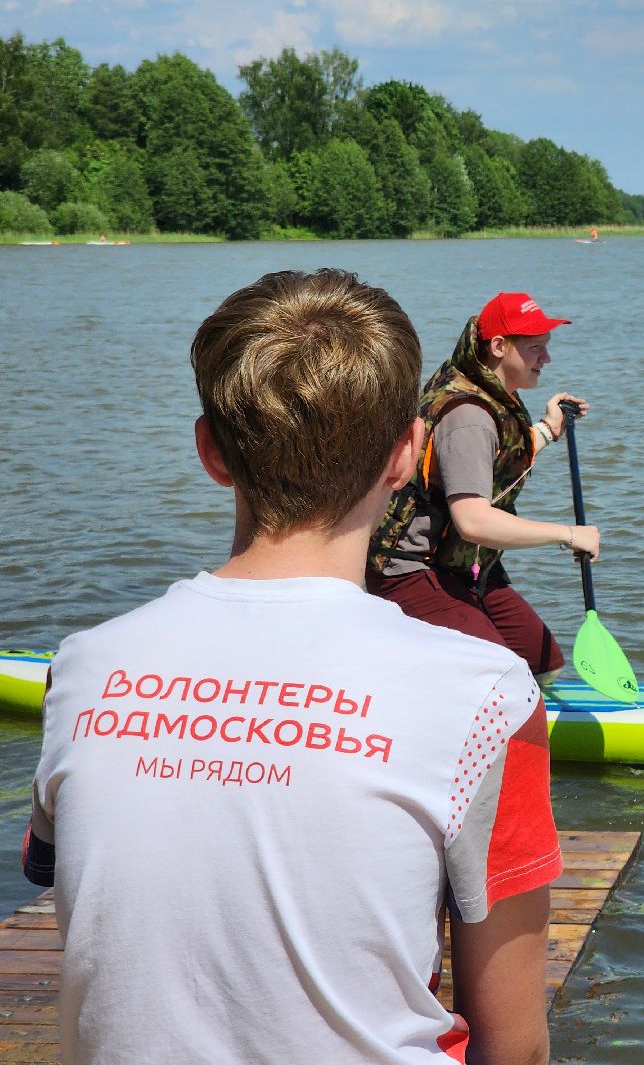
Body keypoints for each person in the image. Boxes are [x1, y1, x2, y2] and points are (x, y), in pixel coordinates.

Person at [23, 269, 561, 1064]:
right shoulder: (489, 695)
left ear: (210, 451)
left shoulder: (84, 667)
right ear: (407, 454)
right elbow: (514, 1047)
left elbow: (52, 870)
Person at [368, 291, 599, 680]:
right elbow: (473, 521)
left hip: (462, 565)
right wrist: (568, 534)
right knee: (502, 674)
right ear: (498, 346)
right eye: (536, 348)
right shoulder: (470, 414)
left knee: (544, 665)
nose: (546, 359)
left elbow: (487, 462)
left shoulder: (485, 391)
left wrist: (546, 429)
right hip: (409, 568)